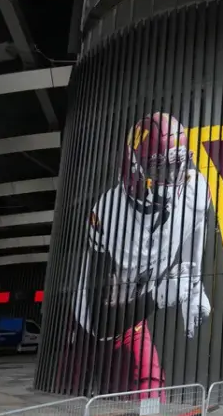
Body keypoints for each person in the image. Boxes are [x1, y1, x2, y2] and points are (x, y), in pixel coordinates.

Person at [66, 112, 212, 398]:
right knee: (68, 401)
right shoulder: (108, 212)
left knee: (150, 394)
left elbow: (196, 230)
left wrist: (193, 288)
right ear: (134, 168)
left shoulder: (195, 189)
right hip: (91, 324)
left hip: (134, 316)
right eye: (160, 169)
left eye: (178, 165)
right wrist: (159, 297)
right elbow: (100, 320)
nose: (172, 179)